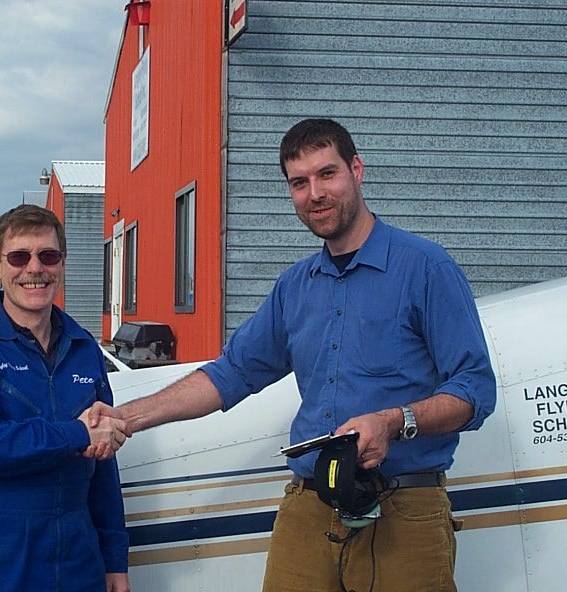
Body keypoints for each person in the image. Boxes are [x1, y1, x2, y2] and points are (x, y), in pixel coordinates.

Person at [92, 118, 497, 591]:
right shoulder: (294, 287)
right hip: (311, 505)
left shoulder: (426, 268)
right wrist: (126, 418)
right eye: (299, 182)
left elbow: (474, 390)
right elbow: (230, 374)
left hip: (404, 510)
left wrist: (393, 421)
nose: (315, 193)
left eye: (327, 174)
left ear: (357, 170)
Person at [0, 204, 131, 591]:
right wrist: (74, 435)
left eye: (48, 256)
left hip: (78, 559)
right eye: (19, 257)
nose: (34, 269)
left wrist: (114, 559)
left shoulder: (83, 347)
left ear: (62, 263)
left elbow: (103, 465)